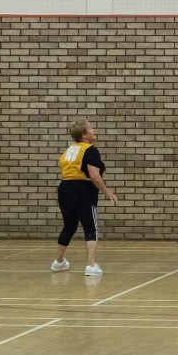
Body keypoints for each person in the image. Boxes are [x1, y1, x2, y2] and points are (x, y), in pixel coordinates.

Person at [52, 118, 117, 276]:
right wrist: (107, 192)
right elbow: (94, 176)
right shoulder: (90, 150)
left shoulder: (69, 150)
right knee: (91, 227)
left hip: (65, 189)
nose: (94, 130)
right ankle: (91, 265)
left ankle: (59, 262)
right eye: (91, 128)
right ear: (84, 134)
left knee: (69, 226)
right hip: (82, 190)